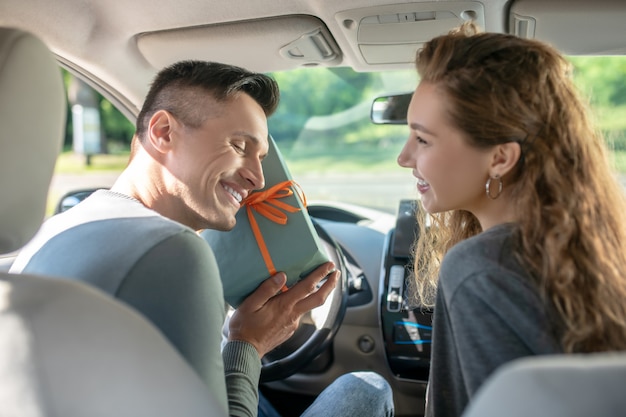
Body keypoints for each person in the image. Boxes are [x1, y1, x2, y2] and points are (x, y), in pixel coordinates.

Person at [11, 60, 394, 417]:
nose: (258, 180)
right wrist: (248, 344)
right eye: (239, 147)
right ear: (162, 133)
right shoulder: (174, 253)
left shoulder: (55, 229)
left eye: (261, 158)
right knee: (368, 389)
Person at [396, 21, 626, 417]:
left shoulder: (480, 269)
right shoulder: (597, 247)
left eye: (422, 139)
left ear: (500, 158)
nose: (403, 157)